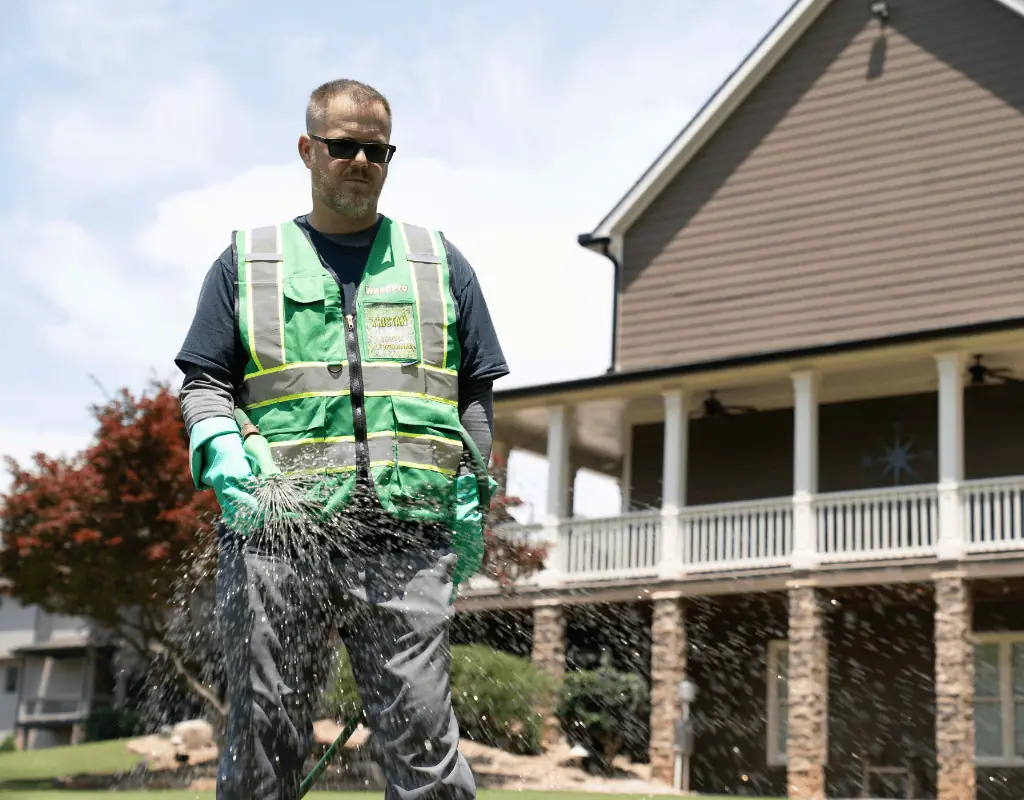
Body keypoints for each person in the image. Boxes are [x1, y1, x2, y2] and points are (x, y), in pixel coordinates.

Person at [174, 78, 509, 800]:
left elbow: (473, 392)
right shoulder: (247, 263)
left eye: (377, 150)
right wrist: (221, 451)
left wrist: (474, 488)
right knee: (266, 736)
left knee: (423, 740)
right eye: (344, 146)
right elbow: (204, 382)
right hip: (278, 535)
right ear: (308, 150)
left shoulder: (439, 263)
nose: (361, 160)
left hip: (408, 536)